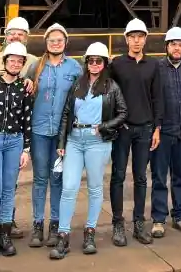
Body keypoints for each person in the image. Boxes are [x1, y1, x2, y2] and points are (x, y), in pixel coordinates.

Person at [51, 42, 128, 260]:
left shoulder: (111, 86)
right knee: (69, 187)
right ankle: (63, 234)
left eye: (99, 61)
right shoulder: (78, 84)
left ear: (105, 64)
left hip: (97, 143)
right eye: (91, 61)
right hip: (75, 141)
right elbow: (66, 114)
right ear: (86, 63)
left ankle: (90, 232)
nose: (94, 64)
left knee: (95, 187)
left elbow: (123, 112)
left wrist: (104, 127)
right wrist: (61, 143)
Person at [0, 16, 39, 241]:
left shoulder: (34, 62)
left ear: (27, 38)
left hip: (15, 134)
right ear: (5, 36)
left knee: (9, 184)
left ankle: (6, 222)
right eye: (11, 33)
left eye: (20, 34)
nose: (15, 36)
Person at [108, 18, 164, 246]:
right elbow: (107, 93)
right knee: (118, 176)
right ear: (126, 39)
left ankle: (139, 223)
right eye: (132, 36)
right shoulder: (117, 65)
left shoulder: (153, 65)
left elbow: (157, 97)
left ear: (145, 39)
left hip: (144, 129)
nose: (137, 40)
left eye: (140, 36)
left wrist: (157, 127)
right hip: (122, 129)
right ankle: (118, 224)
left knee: (141, 178)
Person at [27, 23, 81, 249]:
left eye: (59, 40)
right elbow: (24, 89)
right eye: (51, 40)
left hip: (62, 134)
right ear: (46, 43)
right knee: (40, 179)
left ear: (65, 43)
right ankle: (38, 224)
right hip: (39, 131)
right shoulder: (35, 67)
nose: (56, 43)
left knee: (57, 178)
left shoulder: (74, 68)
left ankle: (55, 225)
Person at [0, 42, 34, 258]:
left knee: (9, 189)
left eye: (19, 61)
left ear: (22, 64)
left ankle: (5, 233)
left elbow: (27, 119)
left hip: (15, 141)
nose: (15, 64)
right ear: (4, 62)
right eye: (11, 60)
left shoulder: (25, 87)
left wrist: (26, 149)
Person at [151, 26, 181, 236]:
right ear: (167, 47)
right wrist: (156, 127)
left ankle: (179, 215)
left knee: (180, 176)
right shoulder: (157, 68)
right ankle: (158, 219)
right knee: (159, 177)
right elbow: (154, 100)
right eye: (173, 44)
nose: (177, 48)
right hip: (163, 131)